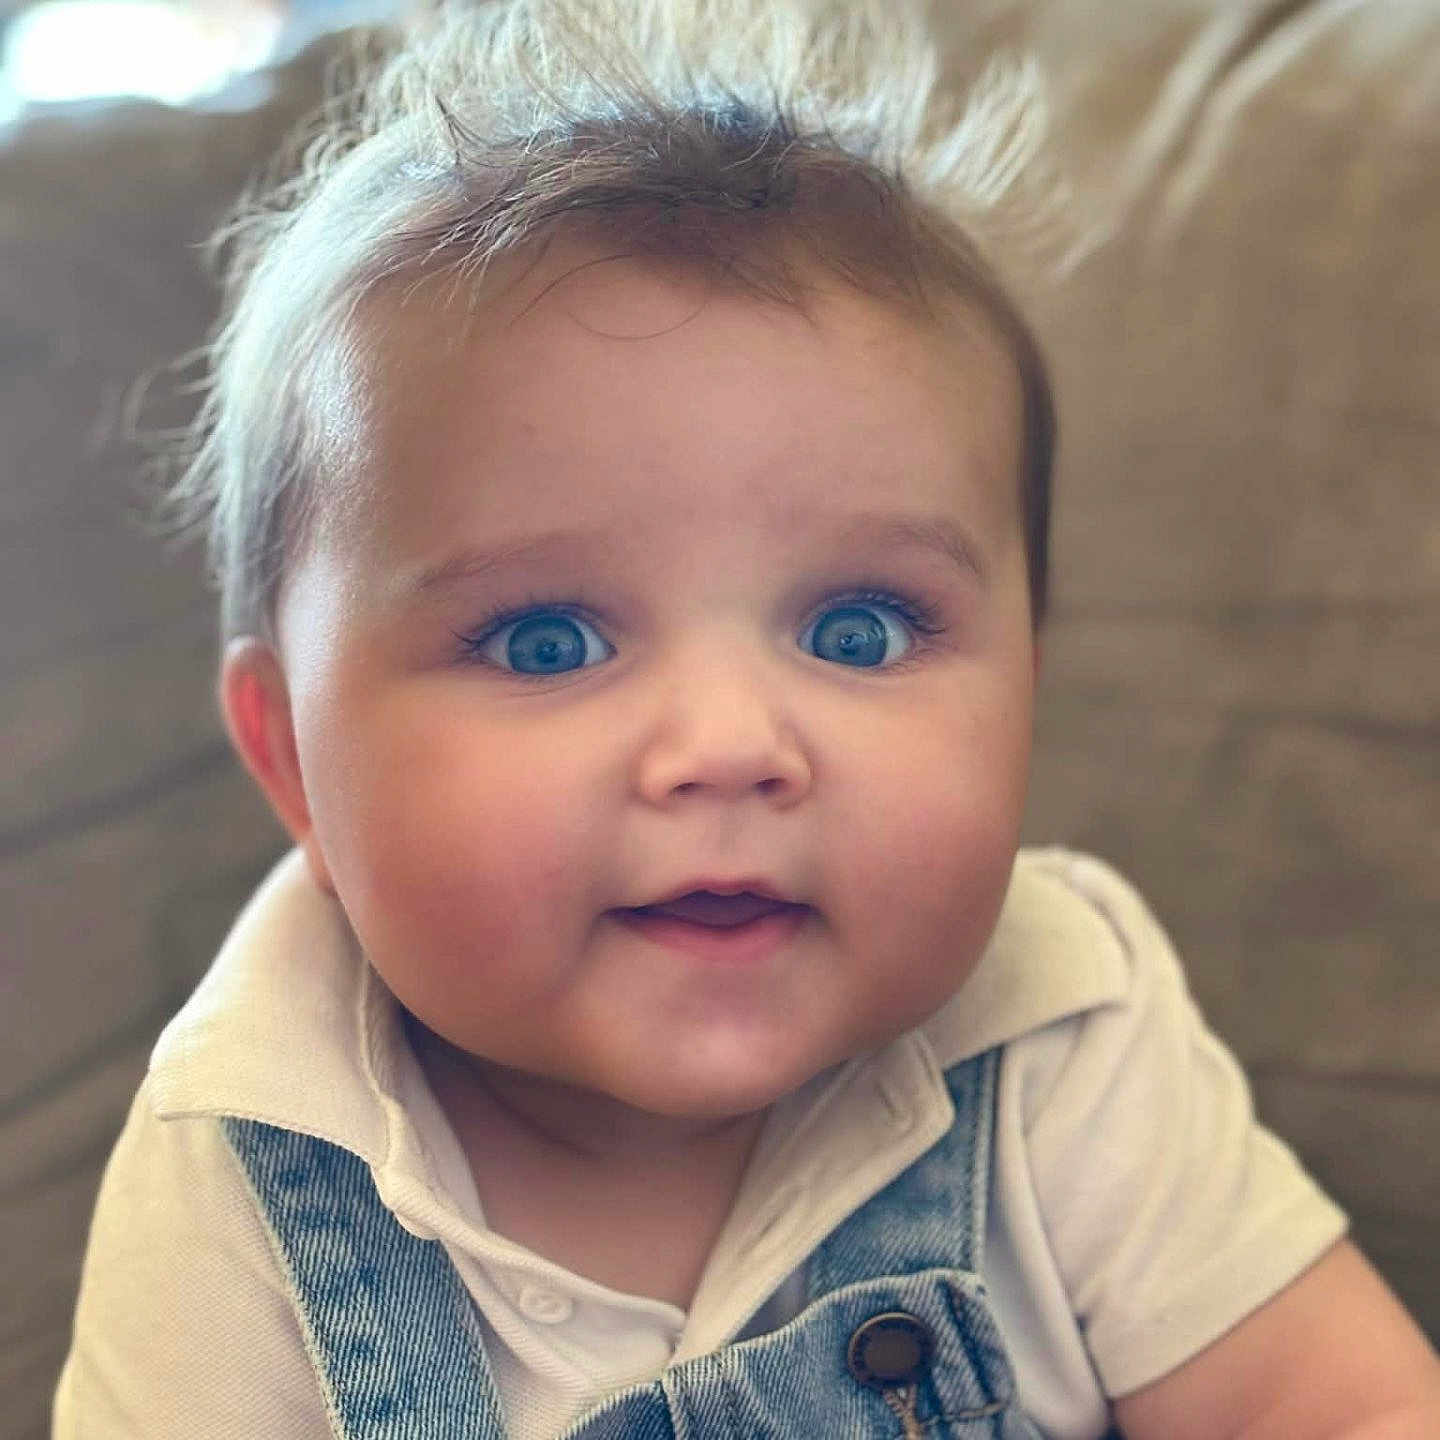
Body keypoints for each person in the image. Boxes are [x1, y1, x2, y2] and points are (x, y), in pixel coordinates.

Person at [53, 1, 1440, 1435]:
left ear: (1028, 684)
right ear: (291, 762)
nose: (727, 745)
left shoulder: (1055, 1028)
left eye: (859, 631)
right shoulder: (252, 1154)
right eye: (546, 641)